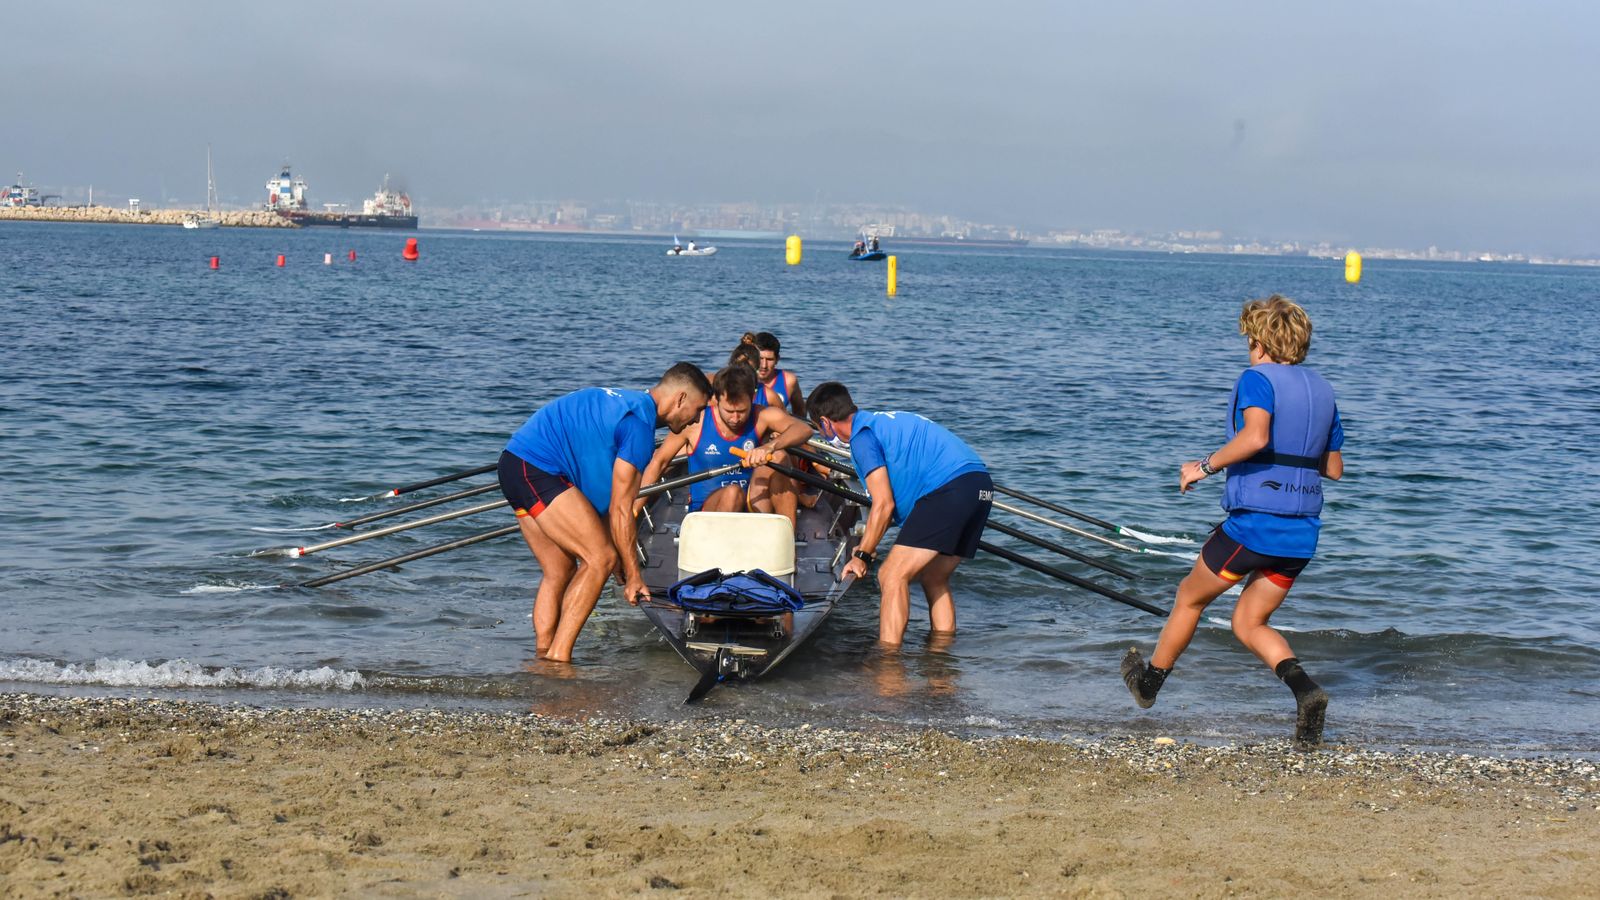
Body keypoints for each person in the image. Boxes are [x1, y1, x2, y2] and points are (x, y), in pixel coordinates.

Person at [1120, 294, 1345, 745]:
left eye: (1249, 341)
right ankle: (1307, 692)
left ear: (1261, 342)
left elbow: (1256, 435)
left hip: (1255, 524)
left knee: (1189, 598)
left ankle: (1149, 686)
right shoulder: (1323, 390)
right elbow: (1334, 468)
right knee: (1248, 622)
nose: (1248, 349)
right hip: (1301, 533)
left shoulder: (1256, 379)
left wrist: (1202, 468)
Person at [499, 363, 712, 662]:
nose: (697, 419)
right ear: (680, 399)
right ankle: (560, 660)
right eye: (698, 409)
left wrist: (620, 557)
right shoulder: (639, 425)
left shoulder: (628, 402)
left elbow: (600, 505)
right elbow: (621, 509)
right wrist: (634, 574)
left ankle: (543, 657)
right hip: (538, 469)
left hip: (515, 462)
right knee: (600, 559)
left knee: (559, 570)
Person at [808, 382, 993, 646]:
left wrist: (861, 555)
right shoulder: (879, 422)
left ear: (825, 423)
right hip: (979, 485)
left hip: (949, 488)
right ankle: (941, 662)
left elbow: (884, 505)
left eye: (817, 427)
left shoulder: (862, 438)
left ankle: (888, 668)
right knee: (934, 576)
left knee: (891, 575)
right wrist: (868, 544)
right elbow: (891, 504)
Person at [638, 365, 813, 526]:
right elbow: (658, 463)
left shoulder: (763, 415)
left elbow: (803, 429)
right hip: (708, 510)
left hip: (752, 501)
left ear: (752, 398)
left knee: (780, 456)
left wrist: (770, 446)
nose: (735, 419)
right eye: (729, 411)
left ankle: (787, 539)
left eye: (742, 411)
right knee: (732, 493)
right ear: (716, 400)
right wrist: (635, 508)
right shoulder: (695, 423)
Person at [751, 331, 805, 418]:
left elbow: (800, 413)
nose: (764, 365)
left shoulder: (789, 381)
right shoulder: (739, 380)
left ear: (777, 360)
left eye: (769, 359)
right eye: (760, 358)